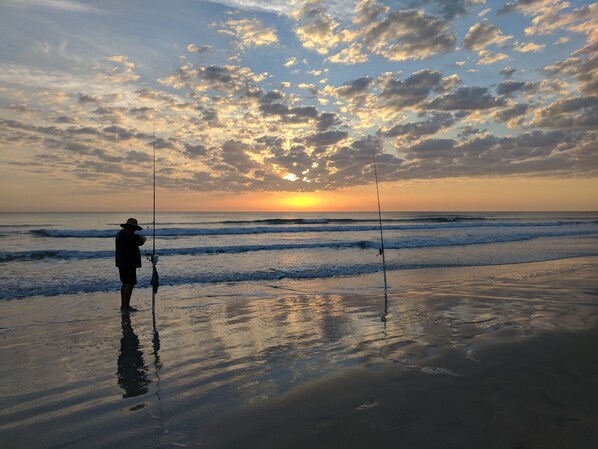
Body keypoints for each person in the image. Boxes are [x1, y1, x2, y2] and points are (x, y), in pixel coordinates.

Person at [115, 218, 146, 312]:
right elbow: (140, 240)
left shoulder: (121, 233)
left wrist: (141, 239)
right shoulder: (127, 235)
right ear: (130, 227)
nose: (134, 230)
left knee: (125, 283)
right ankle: (125, 307)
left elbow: (137, 242)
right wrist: (143, 238)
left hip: (122, 262)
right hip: (128, 263)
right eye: (133, 228)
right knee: (130, 284)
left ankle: (124, 305)